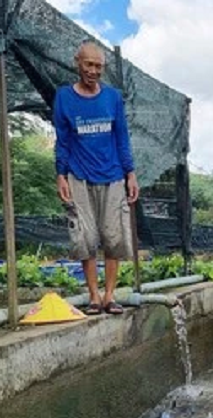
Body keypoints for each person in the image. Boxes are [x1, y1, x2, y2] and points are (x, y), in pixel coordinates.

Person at [53, 40, 139, 316]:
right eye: (89, 64)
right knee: (85, 237)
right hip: (79, 175)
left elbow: (121, 137)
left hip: (113, 175)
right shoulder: (64, 98)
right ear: (77, 62)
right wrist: (61, 175)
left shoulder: (112, 97)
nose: (93, 71)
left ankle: (110, 295)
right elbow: (63, 140)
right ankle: (93, 295)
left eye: (98, 66)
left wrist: (130, 173)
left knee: (114, 236)